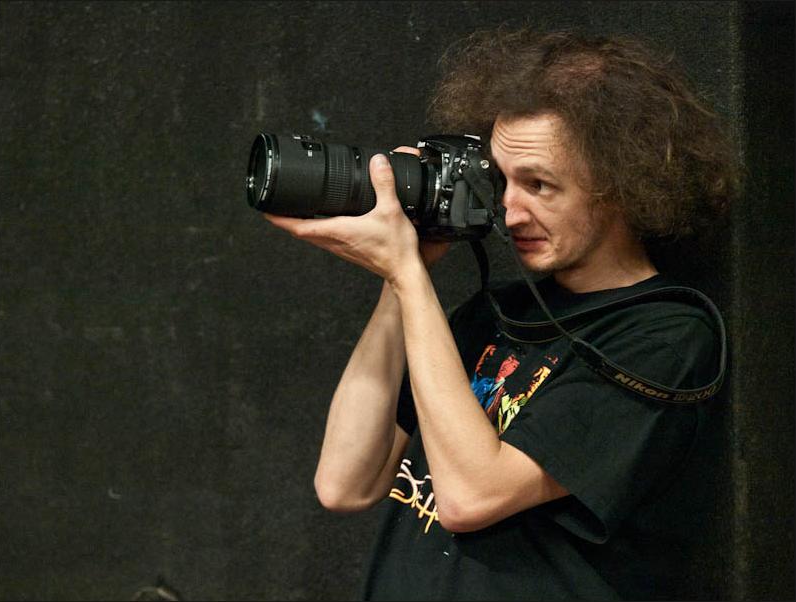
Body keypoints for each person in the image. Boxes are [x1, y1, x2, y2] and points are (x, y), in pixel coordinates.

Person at [264, 25, 740, 601]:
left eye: (538, 185)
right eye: (500, 180)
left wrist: (408, 276)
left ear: (622, 185)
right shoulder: (497, 312)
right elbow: (345, 481)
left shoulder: (663, 337)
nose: (508, 213)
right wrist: (401, 276)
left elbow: (471, 497)